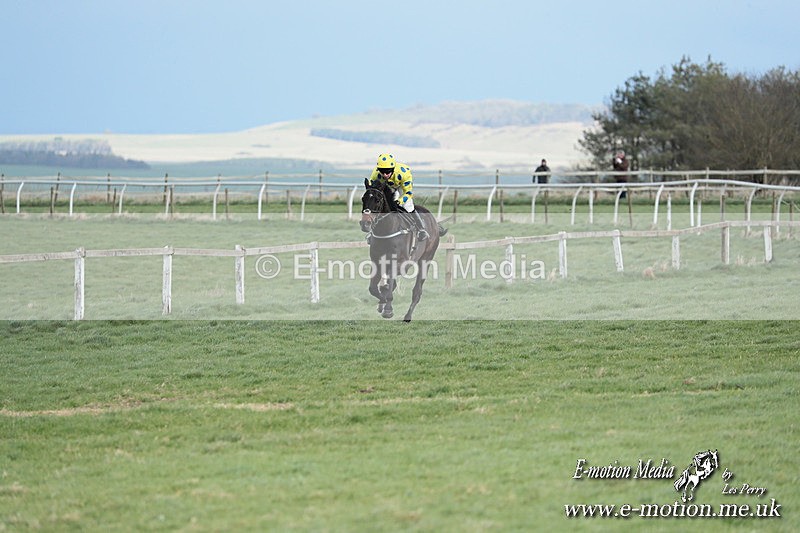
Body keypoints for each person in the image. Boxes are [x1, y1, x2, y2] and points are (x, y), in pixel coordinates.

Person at [368, 153, 429, 240]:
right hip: (388, 186)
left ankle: (421, 229)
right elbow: (372, 189)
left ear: (393, 169)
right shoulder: (376, 174)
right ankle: (372, 232)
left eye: (388, 171)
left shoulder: (404, 174)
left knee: (408, 206)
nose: (385, 174)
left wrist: (400, 201)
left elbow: (408, 193)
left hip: (401, 187)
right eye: (382, 171)